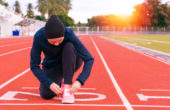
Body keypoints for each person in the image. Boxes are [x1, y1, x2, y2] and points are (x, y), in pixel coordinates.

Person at [30, 15, 94, 104]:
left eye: (60, 41)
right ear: (45, 37)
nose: (56, 44)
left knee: (69, 46)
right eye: (52, 42)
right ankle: (60, 81)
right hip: (53, 65)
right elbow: (34, 66)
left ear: (64, 34)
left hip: (71, 60)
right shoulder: (38, 37)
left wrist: (80, 81)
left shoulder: (69, 33)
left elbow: (89, 59)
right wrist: (49, 83)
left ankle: (67, 88)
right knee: (46, 94)